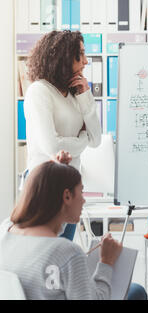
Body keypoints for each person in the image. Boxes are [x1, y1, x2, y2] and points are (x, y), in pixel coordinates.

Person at [0, 161, 147, 300]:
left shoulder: (5, 229)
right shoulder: (67, 252)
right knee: (136, 292)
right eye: (82, 192)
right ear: (67, 196)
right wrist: (106, 262)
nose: (84, 200)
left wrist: (53, 172)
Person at [24, 30, 102, 240]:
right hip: (44, 186)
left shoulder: (75, 93)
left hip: (70, 187)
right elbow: (52, 147)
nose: (86, 61)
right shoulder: (39, 91)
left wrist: (86, 95)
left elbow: (96, 139)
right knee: (43, 256)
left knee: (63, 251)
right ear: (64, 57)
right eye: (81, 54)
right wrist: (82, 140)